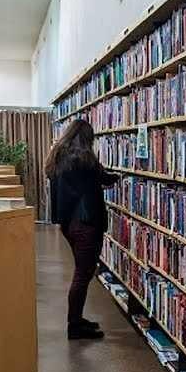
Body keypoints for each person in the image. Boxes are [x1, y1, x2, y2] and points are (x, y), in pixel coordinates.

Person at [46, 119, 119, 339]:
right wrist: (120, 175)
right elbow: (106, 179)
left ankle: (77, 320)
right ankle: (74, 326)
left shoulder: (57, 157)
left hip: (68, 224)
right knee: (83, 274)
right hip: (86, 223)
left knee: (82, 271)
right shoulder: (86, 159)